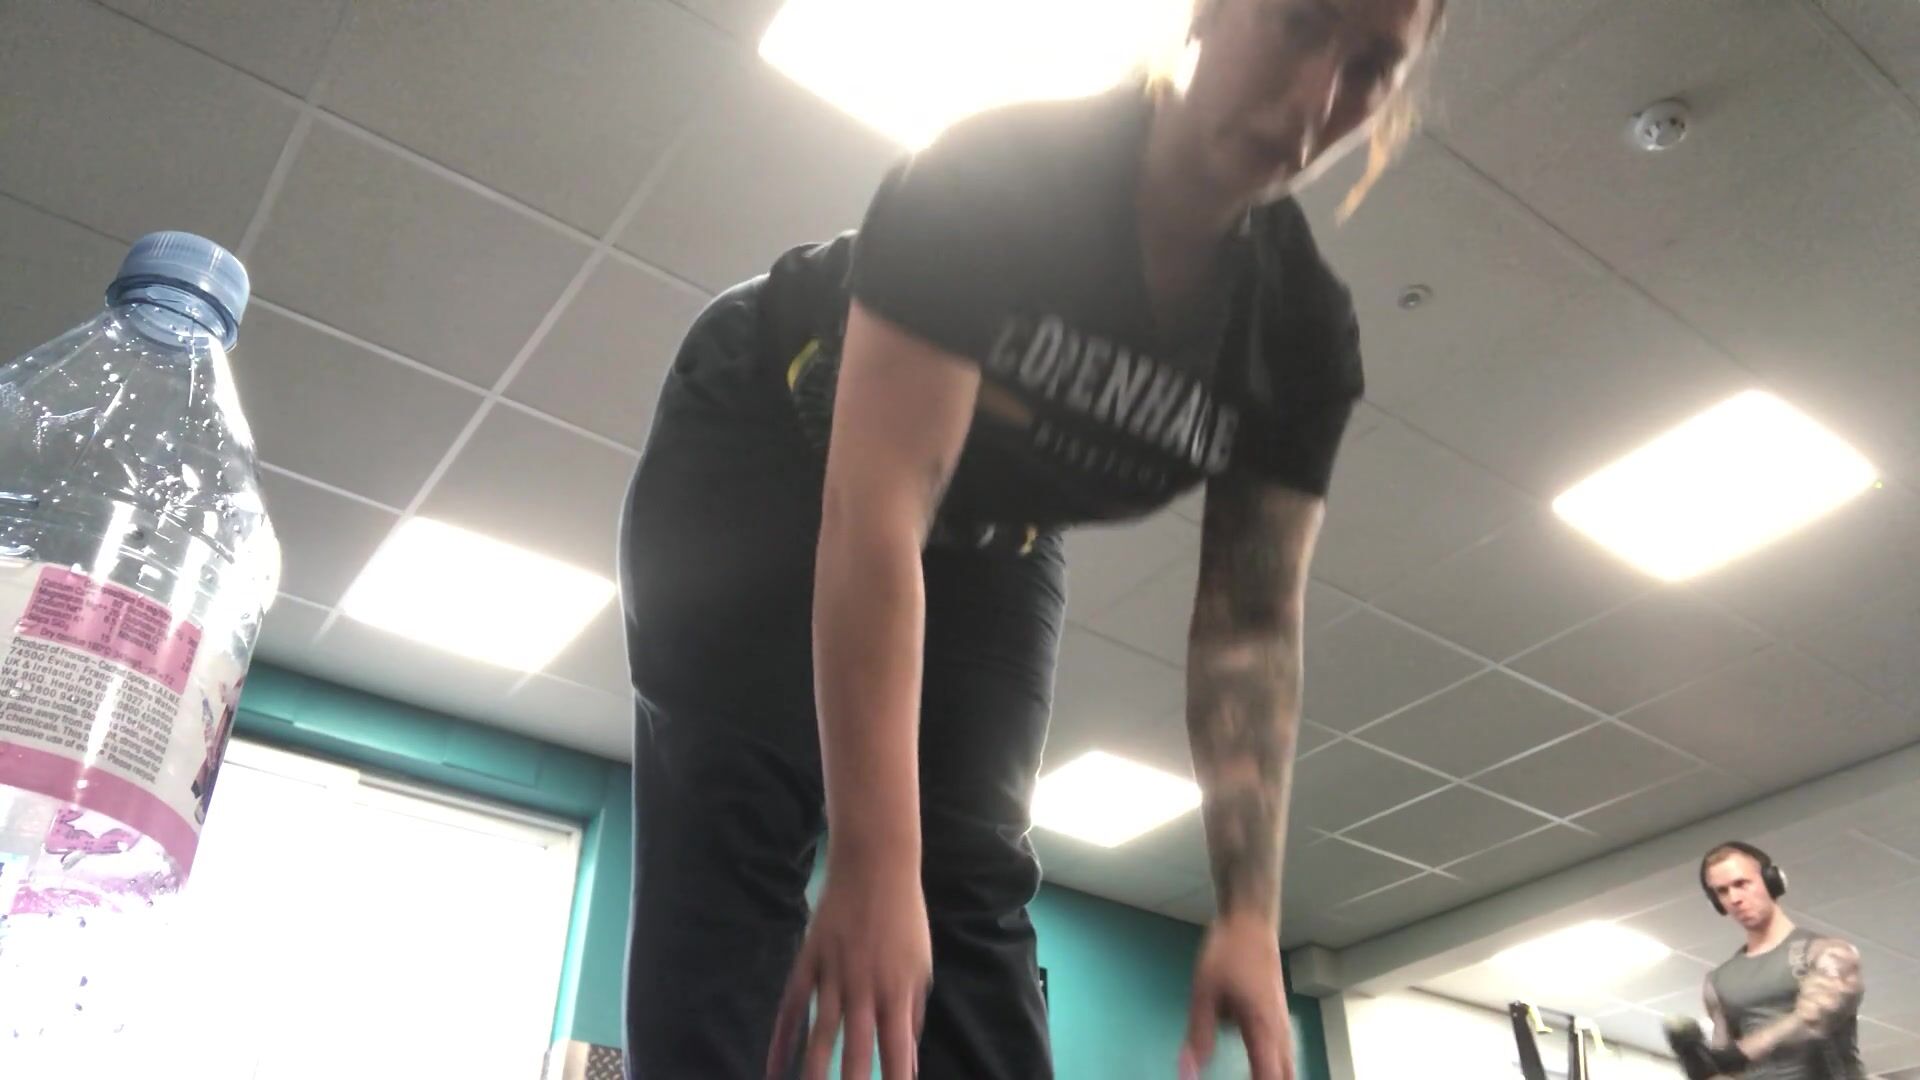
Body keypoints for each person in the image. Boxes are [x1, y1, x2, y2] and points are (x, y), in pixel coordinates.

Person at [616, 1, 1446, 1077]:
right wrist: (871, 860)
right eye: (1299, 23)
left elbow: (1248, 632)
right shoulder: (996, 174)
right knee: (743, 807)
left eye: (1372, 66)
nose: (1317, 96)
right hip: (765, 428)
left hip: (994, 519)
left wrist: (1249, 914)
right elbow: (877, 511)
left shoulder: (1299, 332)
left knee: (968, 865)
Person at [1666, 842, 1867, 1080]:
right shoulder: (1718, 981)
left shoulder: (1826, 952)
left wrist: (1741, 1053)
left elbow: (1814, 1020)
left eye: (1741, 884)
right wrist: (1700, 1065)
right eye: (1722, 891)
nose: (1734, 898)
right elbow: (1726, 1068)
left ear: (1772, 881)